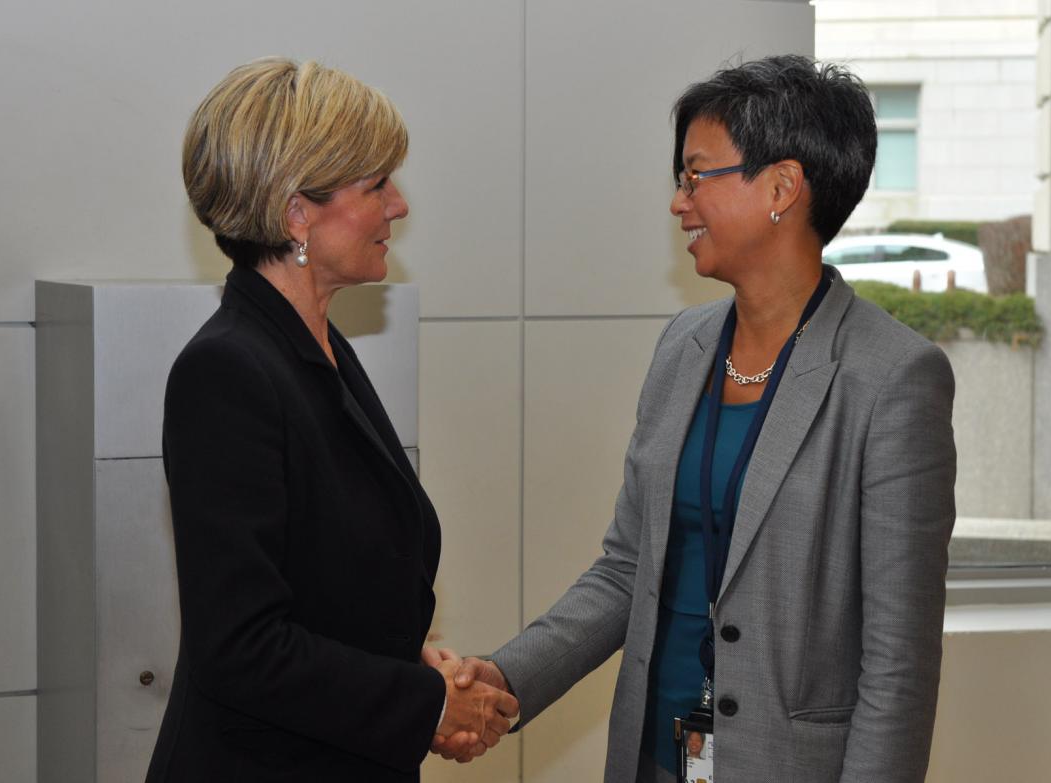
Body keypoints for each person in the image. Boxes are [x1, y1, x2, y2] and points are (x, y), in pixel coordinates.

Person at [436, 55, 957, 782]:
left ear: (781, 186)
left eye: (695, 176)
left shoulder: (893, 376)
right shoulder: (683, 348)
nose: (678, 202)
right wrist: (504, 675)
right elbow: (627, 569)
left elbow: (898, 662)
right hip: (655, 755)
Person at [145, 57, 517, 782]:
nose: (399, 206)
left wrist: (410, 661)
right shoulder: (226, 371)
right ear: (296, 213)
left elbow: (321, 584)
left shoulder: (316, 345)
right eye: (377, 184)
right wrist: (425, 704)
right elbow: (242, 646)